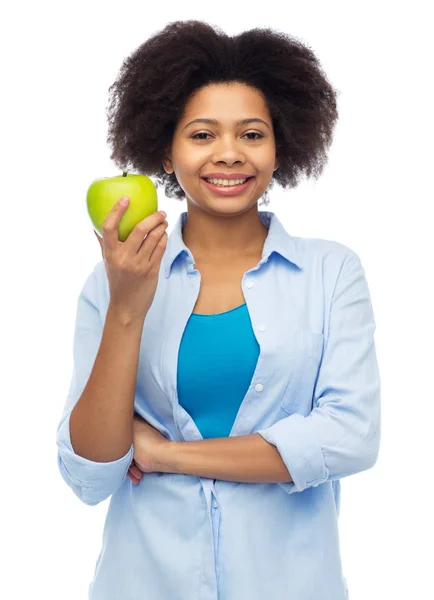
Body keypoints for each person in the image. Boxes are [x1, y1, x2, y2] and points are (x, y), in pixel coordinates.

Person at [56, 20, 381, 600]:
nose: (228, 154)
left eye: (251, 134)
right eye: (202, 134)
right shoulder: (114, 281)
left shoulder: (331, 274)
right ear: (166, 147)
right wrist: (127, 307)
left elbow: (350, 438)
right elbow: (90, 472)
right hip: (143, 582)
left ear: (280, 146)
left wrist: (167, 455)